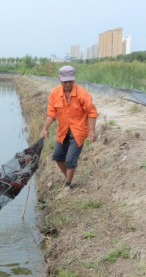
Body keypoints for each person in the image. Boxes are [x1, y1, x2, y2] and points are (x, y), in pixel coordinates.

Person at [40, 65, 98, 198]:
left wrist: (92, 131)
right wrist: (45, 128)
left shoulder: (82, 94)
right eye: (65, 81)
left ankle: (67, 186)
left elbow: (92, 112)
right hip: (63, 130)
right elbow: (51, 113)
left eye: (70, 81)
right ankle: (69, 177)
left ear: (74, 79)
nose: (68, 84)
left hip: (79, 130)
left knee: (71, 159)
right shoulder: (55, 93)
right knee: (58, 157)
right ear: (59, 79)